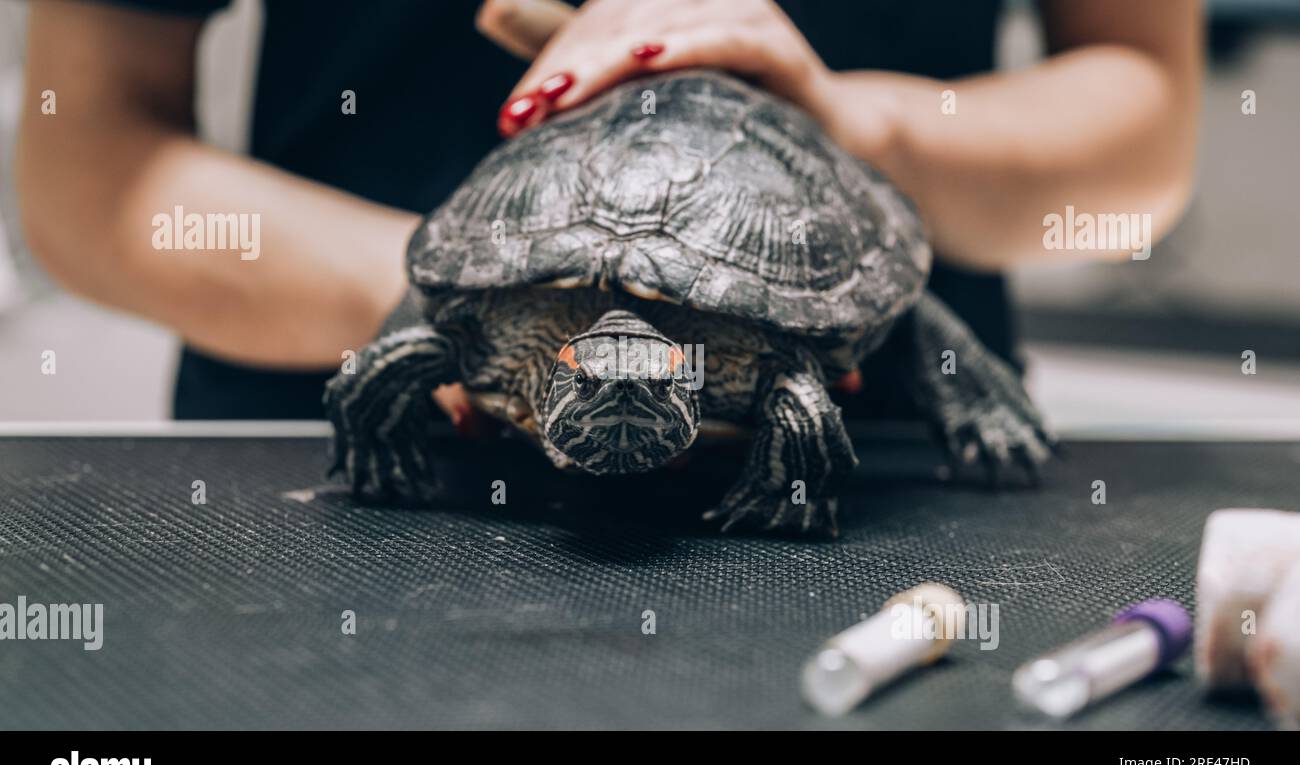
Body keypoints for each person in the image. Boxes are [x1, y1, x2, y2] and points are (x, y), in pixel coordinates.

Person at [16, 0, 1201, 423]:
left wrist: (845, 128)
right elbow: (88, 165)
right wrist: (483, 311)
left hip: (873, 446)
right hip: (351, 459)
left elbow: (1142, 153)